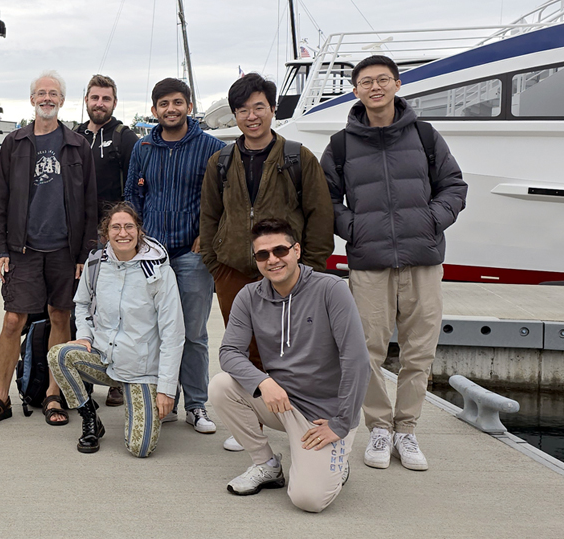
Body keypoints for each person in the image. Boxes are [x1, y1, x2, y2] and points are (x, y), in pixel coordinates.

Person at [321, 55, 467, 472]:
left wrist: (430, 221)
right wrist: (356, 230)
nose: (376, 87)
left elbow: (454, 186)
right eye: (366, 82)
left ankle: (407, 429)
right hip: (369, 262)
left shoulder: (423, 135)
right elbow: (325, 200)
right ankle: (380, 428)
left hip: (422, 259)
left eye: (383, 80)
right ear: (355, 90)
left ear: (398, 84)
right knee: (366, 351)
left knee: (419, 351)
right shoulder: (341, 144)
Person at [200, 73, 334, 449]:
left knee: (288, 349)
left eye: (259, 107)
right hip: (232, 271)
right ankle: (250, 428)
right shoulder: (221, 162)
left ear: (273, 109)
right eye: (242, 109)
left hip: (286, 272)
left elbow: (320, 216)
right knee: (242, 351)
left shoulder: (297, 158)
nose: (251, 116)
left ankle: (295, 421)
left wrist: (312, 270)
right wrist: (215, 263)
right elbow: (209, 217)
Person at [209, 219, 369, 513]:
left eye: (280, 250)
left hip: (323, 417)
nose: (272, 260)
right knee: (221, 386)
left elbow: (357, 360)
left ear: (296, 250)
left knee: (308, 500)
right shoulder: (249, 296)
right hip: (281, 402)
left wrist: (341, 422)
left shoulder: (331, 289)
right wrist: (263, 382)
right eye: (262, 254)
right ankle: (267, 464)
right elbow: (229, 352)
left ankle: (337, 459)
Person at [0, 70, 97, 428]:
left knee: (60, 317)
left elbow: (89, 203)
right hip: (23, 249)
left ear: (61, 100)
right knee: (13, 319)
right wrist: (0, 249)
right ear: (32, 100)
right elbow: (1, 199)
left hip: (64, 250)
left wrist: (83, 254)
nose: (47, 98)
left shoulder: (77, 144)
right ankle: (0, 396)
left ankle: (53, 395)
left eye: (53, 93)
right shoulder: (15, 142)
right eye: (41, 93)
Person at [124, 77, 225, 434]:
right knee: (153, 331)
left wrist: (205, 235)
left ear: (189, 106)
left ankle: (196, 405)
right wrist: (136, 240)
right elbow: (132, 195)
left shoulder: (211, 148)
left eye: (177, 102)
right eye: (164, 103)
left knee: (193, 334)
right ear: (154, 110)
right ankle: (159, 398)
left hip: (191, 255)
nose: (171, 109)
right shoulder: (143, 148)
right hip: (151, 254)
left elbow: (220, 200)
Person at [48, 202, 183, 456]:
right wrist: (85, 337)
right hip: (104, 358)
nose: (123, 233)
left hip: (141, 369)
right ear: (106, 233)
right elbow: (82, 304)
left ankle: (140, 399)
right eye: (116, 227)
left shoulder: (158, 271)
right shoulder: (96, 264)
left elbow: (173, 334)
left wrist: (166, 388)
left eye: (129, 227)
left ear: (139, 231)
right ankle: (90, 419)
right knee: (60, 355)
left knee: (140, 449)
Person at [73, 74, 140, 407]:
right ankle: (85, 374)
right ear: (86, 100)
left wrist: (123, 231)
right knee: (87, 306)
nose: (100, 103)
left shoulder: (125, 138)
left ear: (114, 102)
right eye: (94, 97)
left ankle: (118, 379)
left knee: (120, 308)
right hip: (79, 234)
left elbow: (134, 189)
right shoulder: (74, 137)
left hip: (115, 236)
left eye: (106, 98)